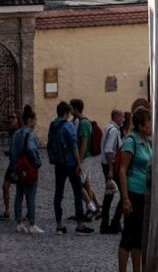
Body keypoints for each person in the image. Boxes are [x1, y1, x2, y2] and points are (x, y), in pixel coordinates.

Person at [48, 100, 93, 236]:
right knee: (77, 192)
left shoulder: (52, 125)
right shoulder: (68, 126)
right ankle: (80, 224)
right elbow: (74, 146)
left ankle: (59, 225)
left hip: (58, 164)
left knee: (58, 194)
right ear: (66, 113)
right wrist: (79, 163)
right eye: (68, 113)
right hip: (70, 163)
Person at [118, 106, 153, 272]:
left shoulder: (146, 142)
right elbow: (122, 170)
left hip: (142, 195)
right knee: (128, 237)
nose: (151, 125)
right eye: (149, 122)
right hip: (132, 194)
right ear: (140, 126)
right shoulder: (131, 141)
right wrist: (125, 199)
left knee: (138, 237)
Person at [9, 105, 43, 234]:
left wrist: (15, 166)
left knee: (19, 194)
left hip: (18, 168)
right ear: (29, 120)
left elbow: (12, 152)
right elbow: (31, 149)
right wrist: (37, 162)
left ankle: (18, 222)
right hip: (29, 168)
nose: (35, 123)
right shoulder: (30, 134)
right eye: (34, 120)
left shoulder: (16, 133)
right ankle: (32, 223)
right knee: (31, 196)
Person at [70, 97, 100, 219]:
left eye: (71, 108)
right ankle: (98, 207)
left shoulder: (83, 123)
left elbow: (83, 144)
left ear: (76, 109)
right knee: (87, 183)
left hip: (85, 157)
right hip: (87, 157)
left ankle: (91, 208)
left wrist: (79, 161)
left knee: (78, 184)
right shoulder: (81, 121)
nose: (70, 110)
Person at [100, 107, 124, 234]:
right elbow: (109, 150)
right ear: (115, 117)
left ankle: (107, 223)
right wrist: (110, 170)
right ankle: (114, 222)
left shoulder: (107, 127)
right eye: (121, 117)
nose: (123, 119)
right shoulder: (114, 130)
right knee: (124, 194)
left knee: (109, 195)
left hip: (107, 165)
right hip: (112, 166)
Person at [0, 108, 21, 219]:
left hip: (19, 164)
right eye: (9, 118)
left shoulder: (21, 132)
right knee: (5, 186)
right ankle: (7, 211)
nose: (10, 120)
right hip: (12, 164)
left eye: (13, 118)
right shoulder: (13, 132)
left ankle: (24, 212)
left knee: (22, 189)